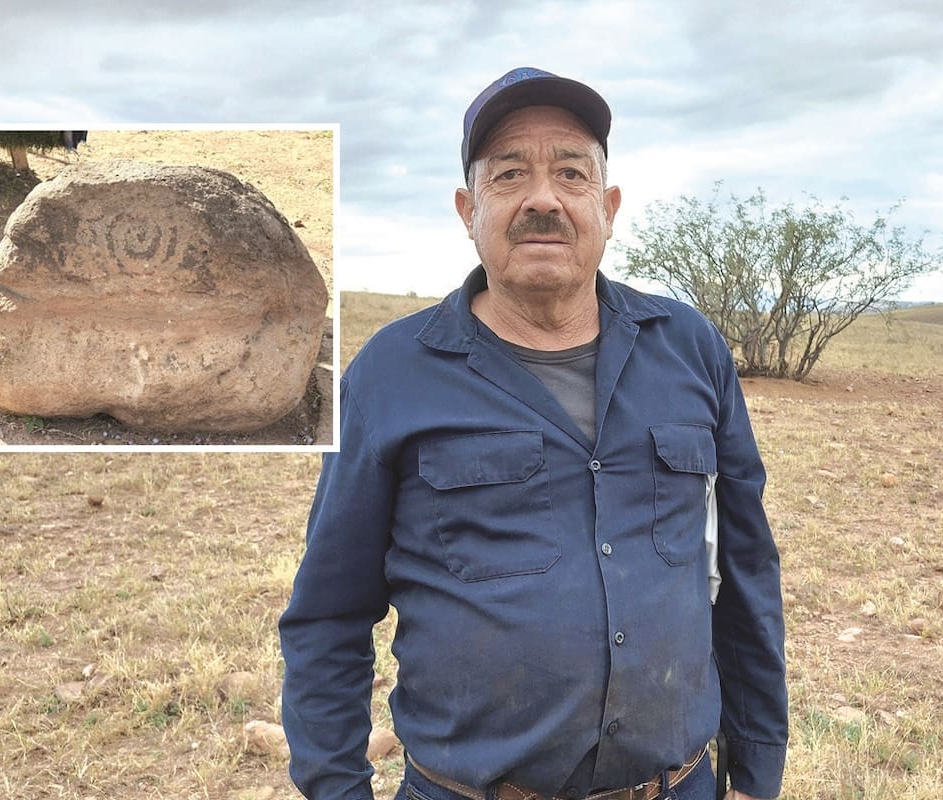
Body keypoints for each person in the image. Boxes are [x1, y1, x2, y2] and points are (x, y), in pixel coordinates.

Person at [279, 67, 788, 800]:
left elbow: (745, 577)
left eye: (571, 173)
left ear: (608, 207)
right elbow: (329, 614)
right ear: (468, 209)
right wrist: (336, 787)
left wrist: (758, 770)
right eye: (510, 173)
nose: (542, 198)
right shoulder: (391, 375)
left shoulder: (691, 349)